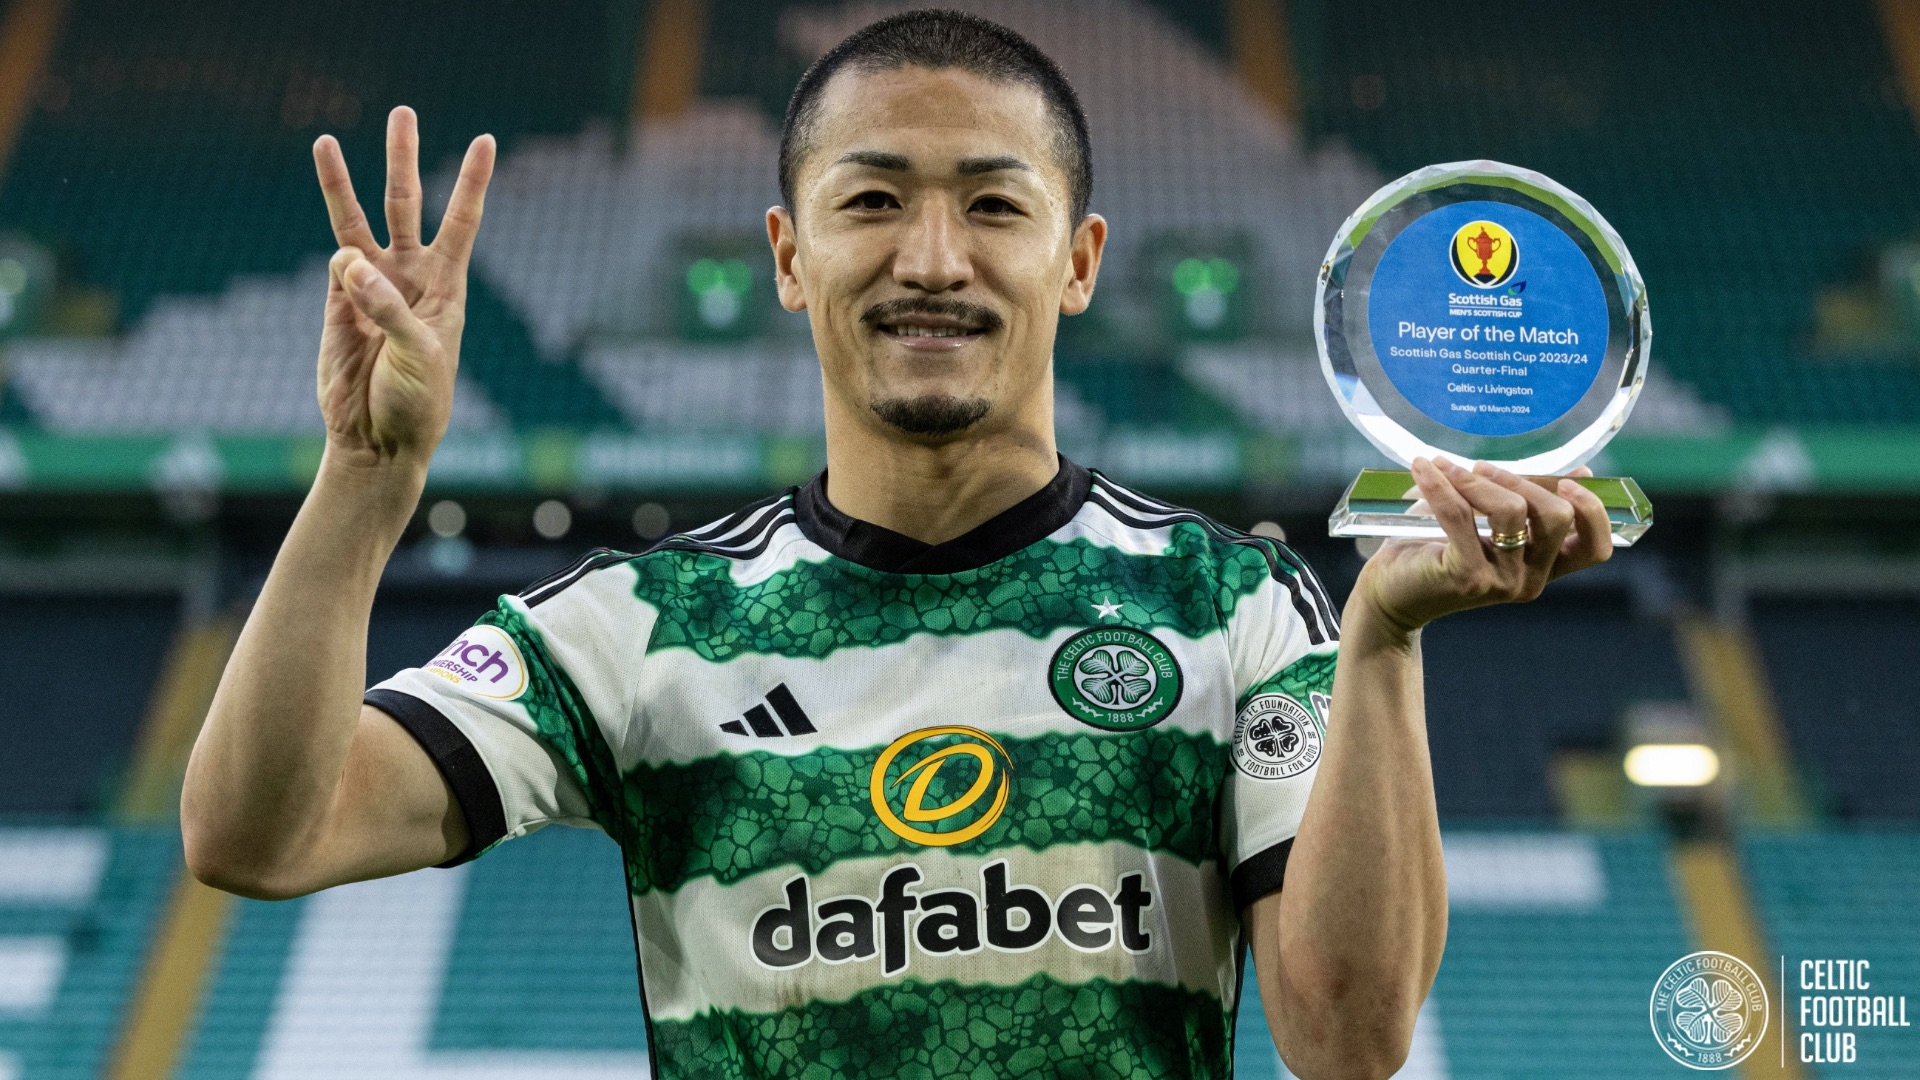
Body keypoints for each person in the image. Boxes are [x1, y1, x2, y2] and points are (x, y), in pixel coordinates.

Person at [182, 10, 1613, 1078]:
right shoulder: (640, 625)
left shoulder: (1233, 607)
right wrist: (366, 477)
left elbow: (1349, 1042)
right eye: (872, 201)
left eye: (994, 204)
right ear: (789, 256)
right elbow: (257, 836)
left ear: (1078, 259)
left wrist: (1383, 640)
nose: (933, 259)